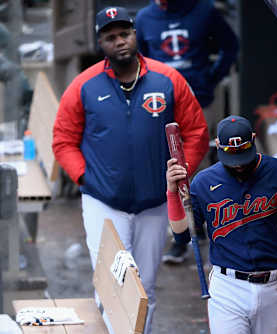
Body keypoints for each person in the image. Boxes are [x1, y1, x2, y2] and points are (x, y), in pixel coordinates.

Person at [52, 7, 209, 334]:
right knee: (111, 285)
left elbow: (196, 133)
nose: (120, 42)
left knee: (145, 288)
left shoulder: (168, 80)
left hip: (155, 202)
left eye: (125, 34)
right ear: (100, 43)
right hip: (103, 201)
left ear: (135, 35)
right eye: (111, 37)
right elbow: (63, 140)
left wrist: (182, 172)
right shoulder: (84, 85)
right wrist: (84, 176)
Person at [165, 115, 277, 334]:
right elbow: (182, 235)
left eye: (243, 157)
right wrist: (172, 192)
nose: (239, 166)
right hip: (227, 288)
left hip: (273, 286)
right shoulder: (204, 182)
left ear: (253, 140)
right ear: (219, 146)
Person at [135, 0, 239, 264]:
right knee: (169, 166)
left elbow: (230, 45)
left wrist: (212, 78)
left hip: (199, 97)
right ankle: (181, 235)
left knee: (197, 165)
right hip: (160, 102)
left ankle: (205, 226)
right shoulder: (146, 17)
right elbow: (141, 60)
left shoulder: (203, 10)